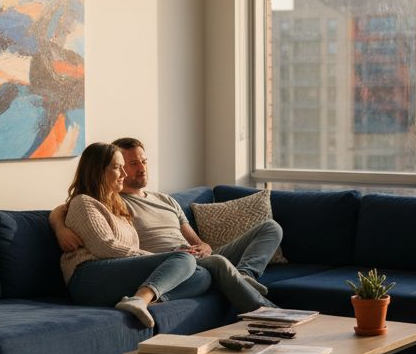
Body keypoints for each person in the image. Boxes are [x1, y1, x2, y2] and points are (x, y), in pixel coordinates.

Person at [52, 137, 282, 308]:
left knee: (270, 228)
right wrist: (58, 225)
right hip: (164, 259)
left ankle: (244, 277)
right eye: (128, 164)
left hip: (188, 257)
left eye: (142, 161)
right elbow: (73, 206)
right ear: (99, 171)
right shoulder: (113, 201)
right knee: (214, 266)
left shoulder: (162, 200)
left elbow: (197, 242)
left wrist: (203, 248)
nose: (138, 168)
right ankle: (269, 314)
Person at [59, 142, 206, 328]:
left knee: (202, 276)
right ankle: (140, 300)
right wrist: (161, 259)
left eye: (123, 167)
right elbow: (105, 247)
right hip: (89, 277)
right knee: (183, 259)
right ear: (98, 171)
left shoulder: (116, 204)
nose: (124, 174)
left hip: (115, 271)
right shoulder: (84, 202)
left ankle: (140, 300)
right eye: (117, 168)